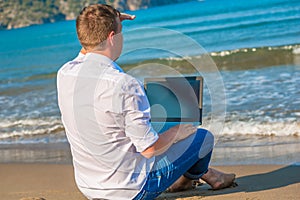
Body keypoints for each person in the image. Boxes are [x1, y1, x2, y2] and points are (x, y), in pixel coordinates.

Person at [57, 4, 235, 200]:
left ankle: (200, 175)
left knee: (143, 127)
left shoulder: (65, 73)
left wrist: (111, 20)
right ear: (111, 37)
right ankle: (195, 177)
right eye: (121, 33)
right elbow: (150, 150)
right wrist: (176, 132)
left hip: (90, 187)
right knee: (201, 137)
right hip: (131, 190)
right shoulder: (124, 84)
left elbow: (88, 45)